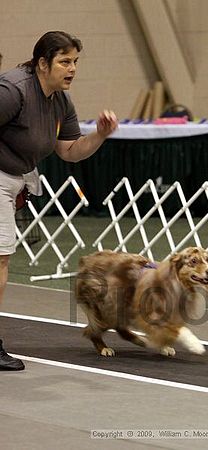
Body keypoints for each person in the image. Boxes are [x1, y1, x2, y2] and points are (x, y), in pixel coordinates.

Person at [0, 31, 118, 370]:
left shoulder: (60, 102)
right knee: (1, 259)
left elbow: (70, 150)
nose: (72, 69)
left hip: (14, 179)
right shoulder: (13, 90)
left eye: (75, 62)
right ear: (42, 63)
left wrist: (100, 134)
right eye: (65, 61)